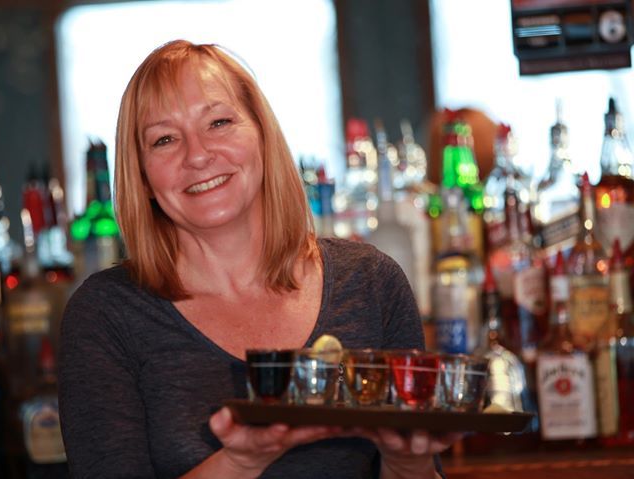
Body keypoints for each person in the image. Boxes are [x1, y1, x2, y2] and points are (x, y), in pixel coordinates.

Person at [58, 39, 459, 478]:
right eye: (165, 139)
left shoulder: (369, 283)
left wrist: (407, 461)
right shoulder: (104, 316)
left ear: (263, 135)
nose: (197, 155)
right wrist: (241, 459)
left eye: (219, 122)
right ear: (142, 177)